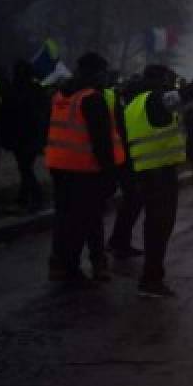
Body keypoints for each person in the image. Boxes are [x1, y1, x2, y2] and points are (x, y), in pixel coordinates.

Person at [123, 64, 193, 298]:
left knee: (153, 226)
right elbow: (183, 95)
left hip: (144, 170)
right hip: (159, 173)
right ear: (160, 80)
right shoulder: (155, 99)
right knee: (160, 226)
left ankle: (151, 276)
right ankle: (151, 279)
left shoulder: (133, 102)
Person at [45, 52, 124, 285]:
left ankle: (59, 265)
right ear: (94, 72)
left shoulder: (61, 94)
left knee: (65, 219)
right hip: (85, 171)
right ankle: (73, 268)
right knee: (86, 220)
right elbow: (102, 142)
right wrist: (110, 175)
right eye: (102, 72)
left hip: (60, 168)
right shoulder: (92, 99)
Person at [0, 59, 50, 210]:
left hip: (26, 134)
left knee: (25, 167)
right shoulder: (32, 89)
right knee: (25, 167)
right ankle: (27, 195)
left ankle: (34, 195)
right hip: (25, 134)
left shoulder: (19, 89)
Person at [108, 76, 146, 259]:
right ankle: (119, 242)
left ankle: (119, 241)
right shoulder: (127, 110)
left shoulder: (123, 107)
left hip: (124, 160)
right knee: (133, 201)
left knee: (131, 202)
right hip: (125, 161)